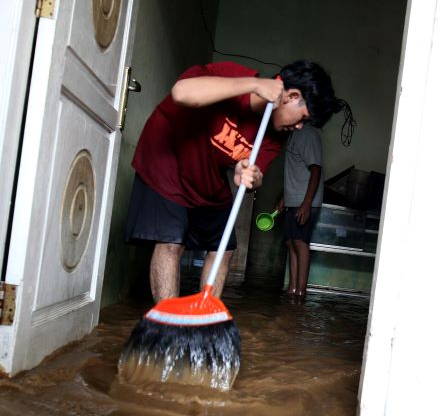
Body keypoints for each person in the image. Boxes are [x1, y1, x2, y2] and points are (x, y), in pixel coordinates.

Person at [125, 59, 347, 302]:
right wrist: (253, 84)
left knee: (224, 248)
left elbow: (255, 171)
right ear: (291, 96)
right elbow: (181, 93)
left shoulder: (275, 134)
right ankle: (166, 325)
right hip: (169, 157)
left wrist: (250, 174)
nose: (299, 127)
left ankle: (205, 316)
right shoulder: (234, 75)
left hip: (206, 172)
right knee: (171, 241)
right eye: (302, 118)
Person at [276, 124, 324, 300]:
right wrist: (284, 198)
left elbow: (316, 170)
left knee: (300, 243)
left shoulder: (308, 134)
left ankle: (301, 293)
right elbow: (294, 172)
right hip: (294, 199)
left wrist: (307, 203)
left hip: (304, 200)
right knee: (290, 243)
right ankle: (292, 289)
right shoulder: (292, 135)